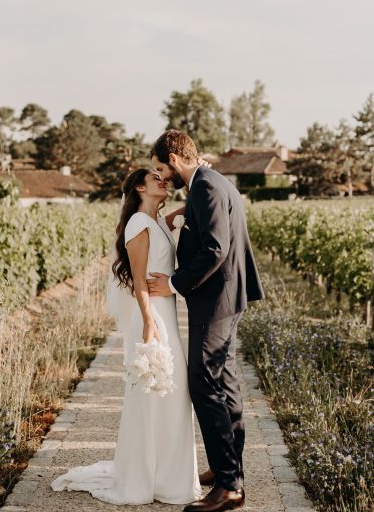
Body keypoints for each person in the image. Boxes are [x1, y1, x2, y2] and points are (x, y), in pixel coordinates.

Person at [50, 167, 202, 505]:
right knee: (152, 395)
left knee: (172, 397)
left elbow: (183, 217)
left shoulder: (158, 222)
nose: (163, 181)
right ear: (138, 187)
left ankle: (168, 477)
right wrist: (149, 322)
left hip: (166, 312)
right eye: (155, 179)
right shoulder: (138, 224)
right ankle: (144, 478)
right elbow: (137, 279)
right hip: (152, 316)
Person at [148, 130, 265, 512]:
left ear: (174, 158)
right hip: (225, 297)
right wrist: (184, 213)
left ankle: (230, 487)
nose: (162, 177)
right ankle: (226, 468)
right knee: (225, 384)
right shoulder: (208, 182)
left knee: (204, 384)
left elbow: (216, 247)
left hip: (215, 300)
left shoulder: (205, 187)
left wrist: (175, 283)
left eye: (161, 168)